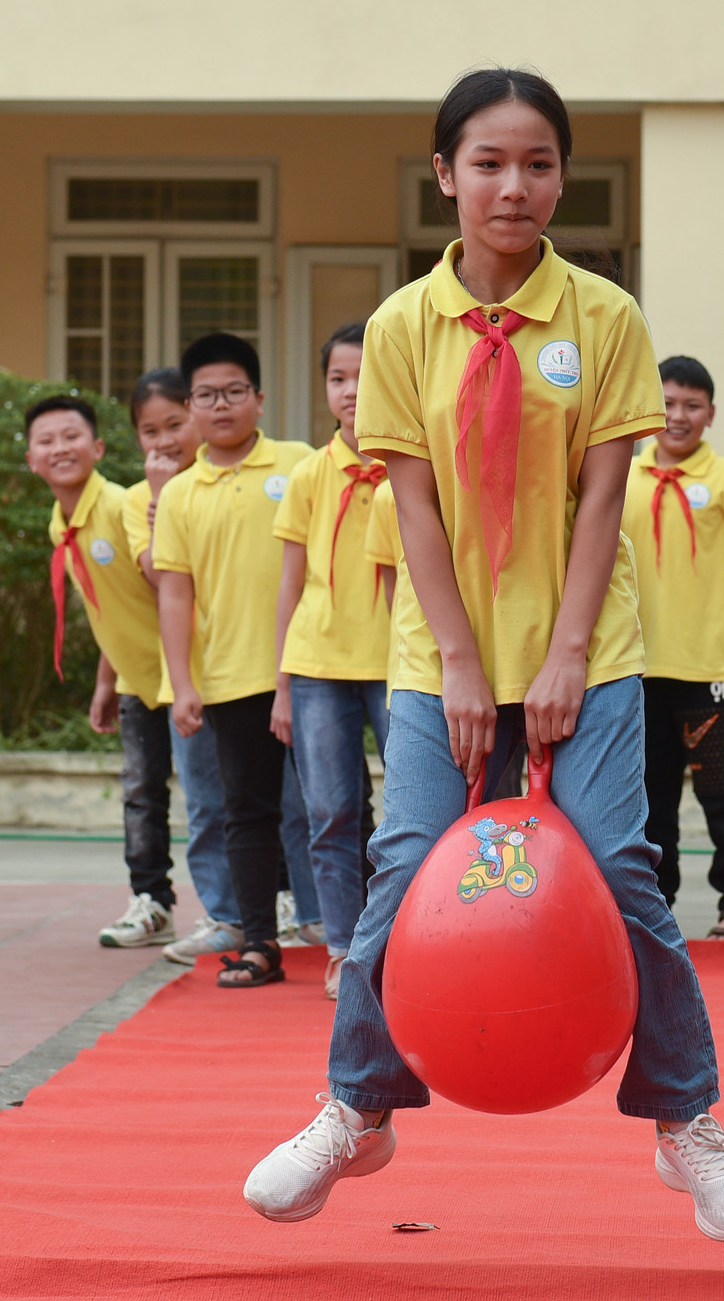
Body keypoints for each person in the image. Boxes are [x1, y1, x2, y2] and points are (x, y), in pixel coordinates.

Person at [242, 68, 724, 1244]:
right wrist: (463, 664)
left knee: (624, 870)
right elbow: (415, 512)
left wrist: (568, 654)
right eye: (487, 162)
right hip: (442, 662)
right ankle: (357, 1108)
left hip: (592, 648)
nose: (512, 186)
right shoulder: (397, 329)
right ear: (444, 176)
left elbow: (602, 503)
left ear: (560, 179)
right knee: (397, 871)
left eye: (536, 164)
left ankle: (685, 1122)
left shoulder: (603, 318)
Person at [152, 332, 317, 988]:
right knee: (244, 813)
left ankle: (341, 929)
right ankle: (259, 941)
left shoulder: (302, 464)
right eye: (207, 396)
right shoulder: (184, 495)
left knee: (331, 806)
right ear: (190, 406)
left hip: (315, 666)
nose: (221, 406)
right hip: (228, 677)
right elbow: (174, 593)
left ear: (260, 398)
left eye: (234, 392)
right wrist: (184, 682)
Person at [621, 355, 724, 940]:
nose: (678, 417)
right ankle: (658, 910)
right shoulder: (623, 476)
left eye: (692, 405)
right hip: (638, 668)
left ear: (710, 414)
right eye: (667, 404)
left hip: (711, 667)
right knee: (651, 803)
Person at [270, 320, 399, 1001]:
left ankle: (402, 939)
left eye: (363, 377)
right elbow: (289, 584)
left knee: (411, 810)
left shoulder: (415, 468)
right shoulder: (307, 476)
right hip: (318, 663)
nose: (351, 392)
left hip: (399, 664)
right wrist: (281, 686)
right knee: (330, 811)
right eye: (337, 378)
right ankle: (346, 947)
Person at [25, 393, 182, 949]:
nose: (59, 449)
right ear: (31, 459)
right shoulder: (60, 523)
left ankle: (262, 903)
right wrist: (105, 683)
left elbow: (167, 583)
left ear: (96, 447)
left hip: (186, 677)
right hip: (139, 682)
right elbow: (106, 608)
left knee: (228, 799)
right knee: (141, 792)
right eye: (45, 441)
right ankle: (151, 902)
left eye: (71, 437)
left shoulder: (121, 506)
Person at [122, 369, 243, 966]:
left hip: (245, 667)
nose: (164, 439)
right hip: (187, 675)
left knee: (271, 798)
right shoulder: (135, 500)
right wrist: (159, 498)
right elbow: (155, 575)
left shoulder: (233, 480)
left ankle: (279, 903)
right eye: (150, 430)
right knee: (204, 803)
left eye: (175, 423)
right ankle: (222, 911)